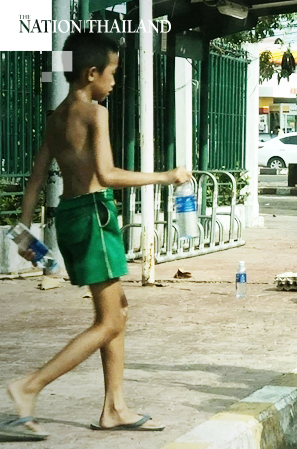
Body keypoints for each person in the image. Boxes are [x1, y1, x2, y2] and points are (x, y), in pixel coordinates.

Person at [2, 32, 191, 440]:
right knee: (109, 321)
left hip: (70, 217)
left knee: (117, 311)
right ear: (92, 73)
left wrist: (23, 231)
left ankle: (114, 407)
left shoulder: (56, 117)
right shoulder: (95, 112)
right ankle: (27, 388)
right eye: (113, 73)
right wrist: (166, 176)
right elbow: (106, 175)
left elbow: (36, 179)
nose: (114, 82)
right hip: (93, 217)